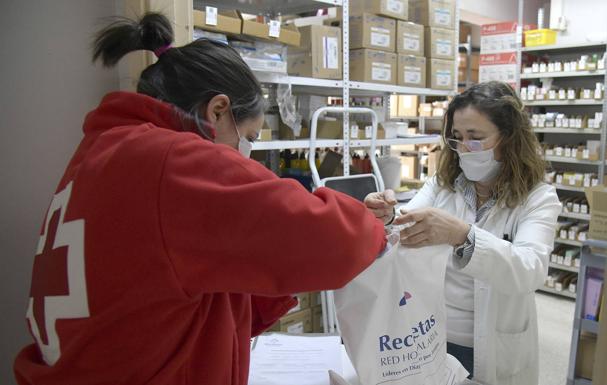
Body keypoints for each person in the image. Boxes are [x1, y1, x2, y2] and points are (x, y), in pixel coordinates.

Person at [14, 13, 387, 385]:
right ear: (218, 111)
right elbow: (338, 241)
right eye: (250, 139)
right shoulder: (169, 161)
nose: (248, 157)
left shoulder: (102, 155)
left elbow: (203, 296)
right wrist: (370, 225)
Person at [366, 81, 562, 385]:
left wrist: (463, 236)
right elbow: (405, 224)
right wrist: (388, 214)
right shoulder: (443, 184)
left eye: (476, 138)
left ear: (509, 139)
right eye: (456, 138)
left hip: (490, 343)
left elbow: (530, 269)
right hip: (430, 334)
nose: (464, 148)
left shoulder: (538, 198)